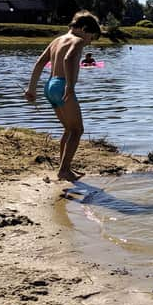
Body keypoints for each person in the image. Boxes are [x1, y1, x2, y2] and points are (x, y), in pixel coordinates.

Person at [24, 11, 102, 182]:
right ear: (83, 29)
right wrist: (70, 86)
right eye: (92, 37)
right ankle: (64, 170)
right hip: (62, 85)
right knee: (77, 130)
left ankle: (64, 168)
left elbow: (39, 63)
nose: (90, 42)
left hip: (50, 86)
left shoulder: (57, 40)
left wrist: (31, 89)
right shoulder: (78, 40)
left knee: (68, 129)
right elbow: (69, 59)